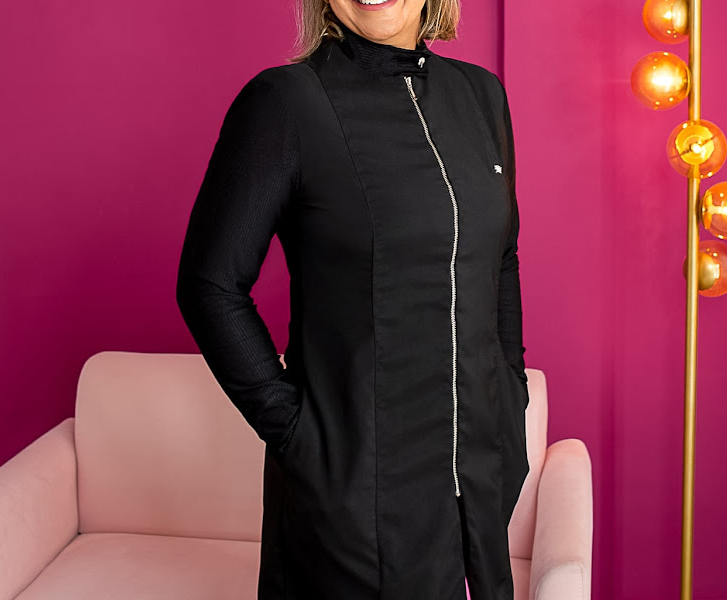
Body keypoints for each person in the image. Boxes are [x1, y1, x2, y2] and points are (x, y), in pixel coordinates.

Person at [175, 0, 530, 598]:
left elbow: (502, 258)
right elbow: (210, 285)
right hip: (353, 498)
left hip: (479, 477)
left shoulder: (481, 96)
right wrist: (300, 437)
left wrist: (510, 395)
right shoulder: (286, 103)